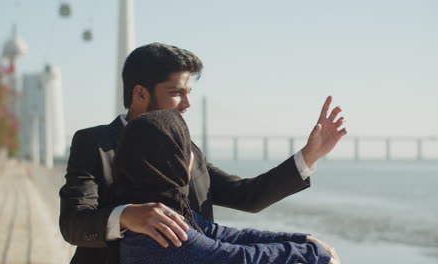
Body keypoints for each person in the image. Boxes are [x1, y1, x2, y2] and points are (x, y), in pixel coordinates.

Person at [59, 42, 346, 264]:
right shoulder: (93, 143)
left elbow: (245, 197)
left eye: (189, 92)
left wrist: (309, 156)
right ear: (140, 94)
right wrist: (126, 216)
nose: (187, 104)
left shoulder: (186, 149)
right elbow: (73, 224)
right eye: (176, 93)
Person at [114, 109, 332, 264]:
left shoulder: (157, 211)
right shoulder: (161, 230)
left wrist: (303, 240)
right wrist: (315, 254)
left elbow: (228, 235)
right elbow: (235, 257)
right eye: (184, 146)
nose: (191, 155)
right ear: (174, 161)